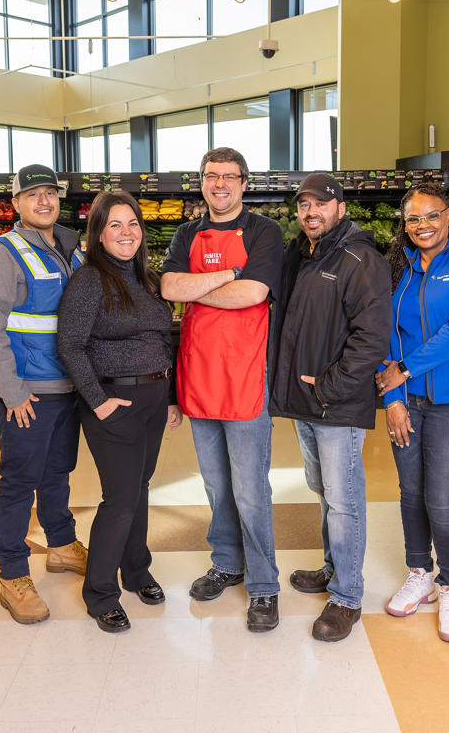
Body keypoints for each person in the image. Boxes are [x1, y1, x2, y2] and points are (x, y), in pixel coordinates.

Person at [160, 147, 282, 632]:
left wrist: (199, 287)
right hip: (200, 374)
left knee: (251, 488)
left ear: (244, 184)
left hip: (247, 374)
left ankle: (264, 586)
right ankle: (227, 561)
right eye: (213, 177)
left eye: (230, 177)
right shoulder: (186, 232)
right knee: (215, 483)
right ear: (203, 183)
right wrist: (230, 274)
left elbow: (255, 293)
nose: (221, 185)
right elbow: (169, 287)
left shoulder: (264, 232)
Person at [267, 173, 391, 642]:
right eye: (303, 205)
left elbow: (372, 337)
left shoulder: (361, 258)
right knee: (324, 489)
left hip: (335, 403)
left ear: (340, 207)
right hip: (307, 402)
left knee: (344, 499)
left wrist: (328, 387)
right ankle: (332, 566)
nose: (310, 211)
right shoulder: (303, 254)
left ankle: (347, 596)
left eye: (321, 203)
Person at [57, 191, 182, 633]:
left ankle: (137, 571)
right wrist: (99, 401)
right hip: (114, 403)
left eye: (132, 224)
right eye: (115, 225)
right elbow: (70, 345)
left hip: (152, 399)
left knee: (140, 489)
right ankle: (101, 593)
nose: (126, 233)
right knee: (121, 499)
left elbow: (164, 339)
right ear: (98, 233)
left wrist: (170, 396)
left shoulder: (149, 279)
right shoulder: (89, 280)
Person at [375, 182, 449, 644]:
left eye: (431, 216)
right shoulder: (396, 269)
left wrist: (405, 369)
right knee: (410, 493)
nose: (422, 226)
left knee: (442, 500)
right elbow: (385, 334)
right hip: (406, 400)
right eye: (413, 219)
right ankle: (419, 572)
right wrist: (393, 397)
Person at [0, 164, 87, 625]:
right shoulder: (1, 253)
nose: (44, 202)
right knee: (19, 482)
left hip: (68, 387)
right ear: (15, 203)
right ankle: (13, 574)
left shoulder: (73, 248)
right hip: (27, 393)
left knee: (58, 473)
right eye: (33, 195)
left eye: (51, 194)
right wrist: (12, 391)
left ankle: (60, 544)